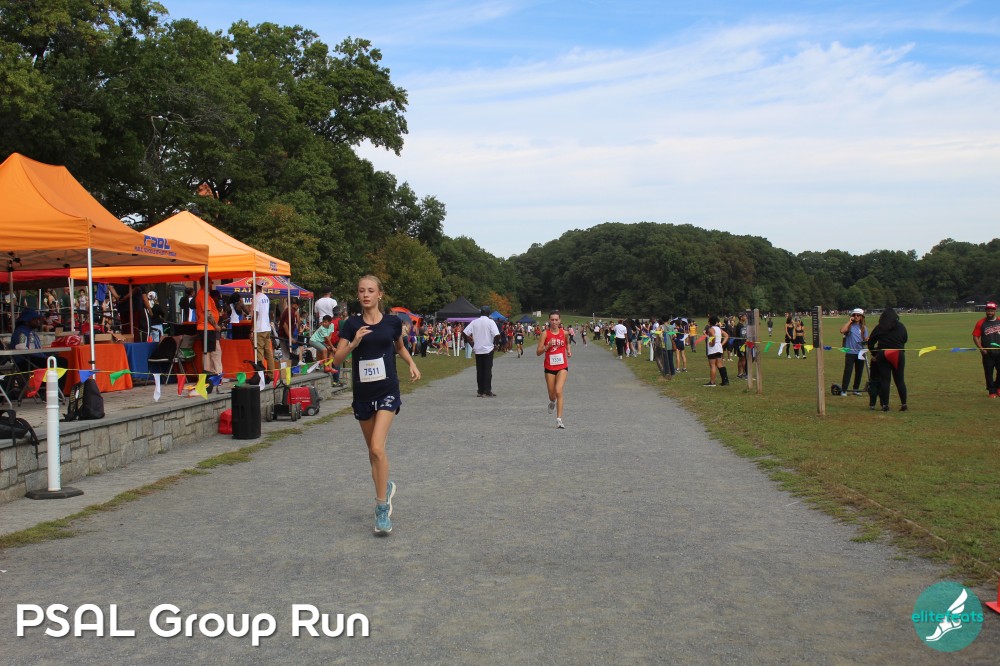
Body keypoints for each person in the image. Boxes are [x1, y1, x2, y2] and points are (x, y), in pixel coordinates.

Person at [329, 275, 420, 536]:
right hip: (363, 394)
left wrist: (411, 363)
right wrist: (354, 344)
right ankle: (385, 487)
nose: (366, 295)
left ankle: (381, 508)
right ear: (358, 295)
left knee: (378, 447)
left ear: (380, 294)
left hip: (387, 390)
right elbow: (336, 361)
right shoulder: (351, 324)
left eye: (370, 290)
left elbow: (399, 347)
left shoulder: (392, 322)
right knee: (373, 453)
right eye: (361, 291)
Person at [867, 307, 908, 412]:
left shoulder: (880, 327)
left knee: (885, 380)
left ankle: (885, 405)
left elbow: (870, 342)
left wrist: (875, 353)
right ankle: (904, 404)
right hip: (898, 353)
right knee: (900, 380)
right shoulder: (901, 326)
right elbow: (905, 339)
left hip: (883, 353)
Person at [537, 310, 571, 428]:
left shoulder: (565, 333)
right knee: (552, 395)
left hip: (562, 366)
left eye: (556, 320)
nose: (554, 322)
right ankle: (552, 402)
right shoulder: (545, 334)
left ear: (560, 320)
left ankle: (559, 419)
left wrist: (568, 350)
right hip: (549, 367)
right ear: (549, 320)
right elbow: (538, 352)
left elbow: (567, 343)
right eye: (552, 320)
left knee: (558, 390)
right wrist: (547, 346)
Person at [462, 306, 501, 397]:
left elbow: (464, 333)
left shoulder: (474, 322)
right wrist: (496, 344)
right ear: (488, 313)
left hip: (478, 349)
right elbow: (497, 335)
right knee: (487, 370)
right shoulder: (491, 322)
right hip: (488, 349)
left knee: (479, 370)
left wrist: (471, 343)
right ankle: (487, 390)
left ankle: (480, 391)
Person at [194, 284, 223, 385]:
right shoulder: (204, 296)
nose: (212, 284)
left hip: (207, 328)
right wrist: (216, 326)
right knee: (214, 353)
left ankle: (211, 376)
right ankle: (216, 376)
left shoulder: (202, 295)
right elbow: (208, 313)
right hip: (209, 328)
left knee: (208, 353)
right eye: (211, 283)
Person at [972, 301, 1000, 398]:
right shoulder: (981, 323)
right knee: (989, 373)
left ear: (995, 311)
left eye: (992, 311)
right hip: (987, 353)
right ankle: (992, 391)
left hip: (999, 352)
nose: (990, 313)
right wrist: (981, 349)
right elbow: (975, 337)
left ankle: (998, 387)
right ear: (986, 311)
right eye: (988, 311)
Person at [839, 308, 868, 396]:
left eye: (858, 315)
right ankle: (844, 390)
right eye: (854, 315)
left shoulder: (863, 328)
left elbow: (866, 338)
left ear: (861, 317)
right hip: (850, 353)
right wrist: (849, 321)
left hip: (860, 352)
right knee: (848, 371)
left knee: (859, 372)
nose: (856, 317)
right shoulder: (849, 326)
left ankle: (856, 389)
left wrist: (867, 340)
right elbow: (842, 330)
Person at [253, 281, 276, 371]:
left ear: (256, 286)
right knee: (268, 352)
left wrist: (252, 329)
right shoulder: (266, 297)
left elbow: (256, 314)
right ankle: (271, 374)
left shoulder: (256, 297)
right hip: (267, 327)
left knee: (259, 352)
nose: (251, 287)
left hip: (259, 328)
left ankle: (260, 374)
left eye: (252, 285)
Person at [703, 315, 729, 386]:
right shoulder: (718, 329)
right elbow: (726, 335)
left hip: (713, 349)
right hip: (719, 348)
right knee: (719, 364)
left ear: (709, 322)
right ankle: (725, 380)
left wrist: (713, 343)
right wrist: (721, 344)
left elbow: (713, 336)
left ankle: (712, 382)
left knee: (712, 365)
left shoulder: (711, 329)